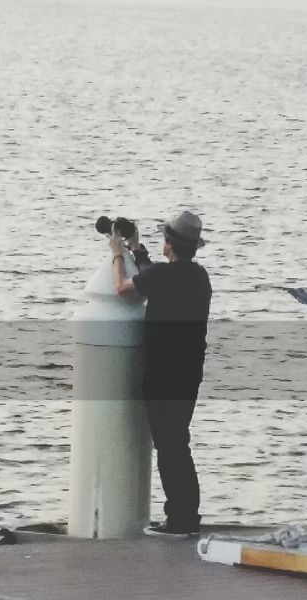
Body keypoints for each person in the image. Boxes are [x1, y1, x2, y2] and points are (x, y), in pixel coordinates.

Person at [109, 211, 212, 537]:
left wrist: (116, 255)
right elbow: (154, 275)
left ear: (169, 244)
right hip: (188, 375)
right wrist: (136, 249)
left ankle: (179, 519)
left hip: (162, 375)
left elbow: (124, 288)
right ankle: (187, 515)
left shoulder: (163, 278)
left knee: (168, 448)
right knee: (178, 443)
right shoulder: (199, 277)